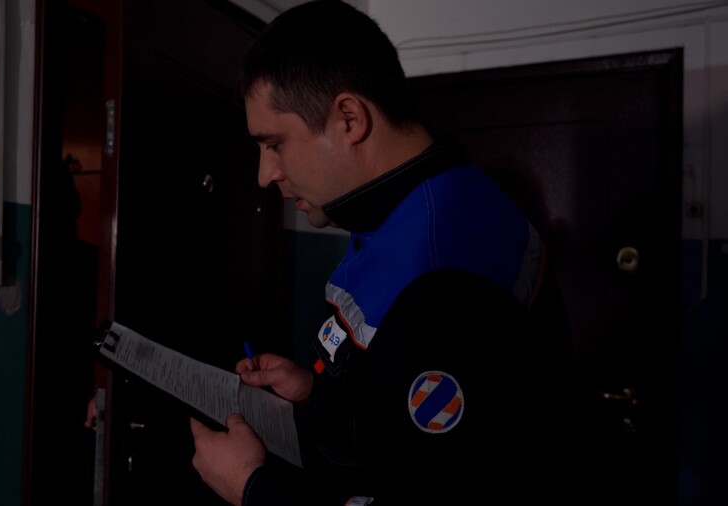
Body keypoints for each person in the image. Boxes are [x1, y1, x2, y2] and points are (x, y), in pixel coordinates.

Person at [189, 1, 573, 505]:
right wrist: (318, 396)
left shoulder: (439, 278)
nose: (265, 175)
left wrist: (253, 487)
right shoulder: (438, 200)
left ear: (349, 119)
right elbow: (404, 419)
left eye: (274, 144)